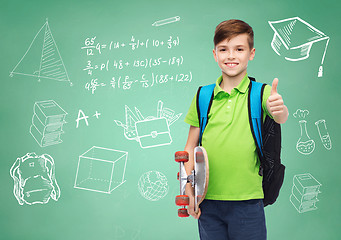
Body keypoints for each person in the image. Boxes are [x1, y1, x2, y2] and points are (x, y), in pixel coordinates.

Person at [183, 19, 289, 240]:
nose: (231, 56)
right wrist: (188, 191)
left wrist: (279, 110)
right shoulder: (203, 96)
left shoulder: (261, 93)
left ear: (251, 53)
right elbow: (190, 148)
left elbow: (280, 116)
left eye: (239, 49)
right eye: (224, 49)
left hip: (248, 202)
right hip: (207, 201)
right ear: (215, 54)